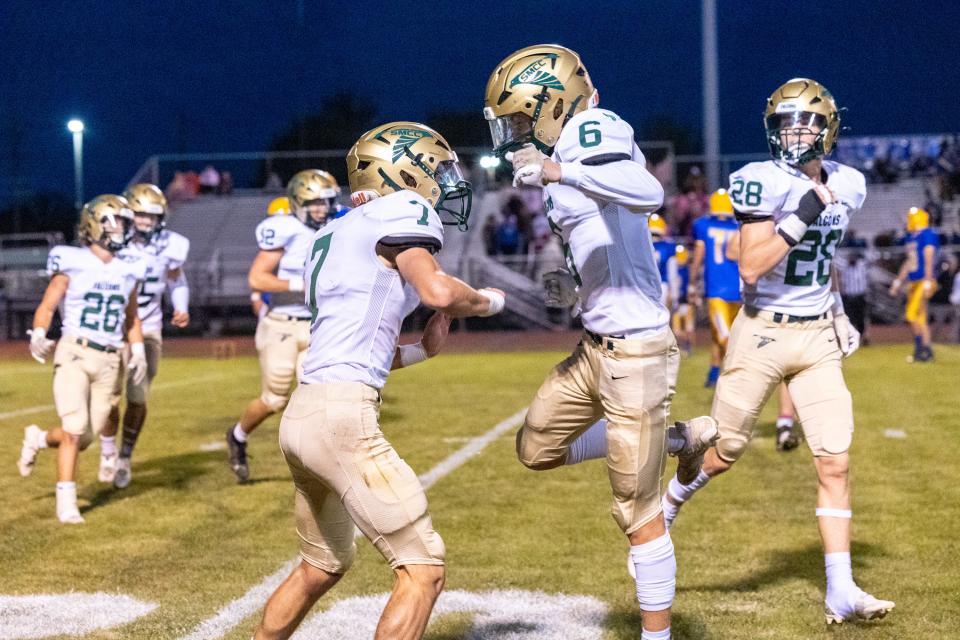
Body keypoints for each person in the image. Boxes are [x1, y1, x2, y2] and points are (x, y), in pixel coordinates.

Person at [484, 44, 716, 640]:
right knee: (535, 448)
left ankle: (657, 635)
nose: (512, 134)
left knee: (637, 515)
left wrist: (562, 170)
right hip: (594, 346)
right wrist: (574, 285)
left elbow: (646, 192)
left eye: (516, 119)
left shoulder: (591, 128)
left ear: (549, 106)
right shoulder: (569, 146)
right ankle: (675, 437)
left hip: (636, 350)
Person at [253, 122, 504, 640]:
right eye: (434, 167)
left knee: (319, 566)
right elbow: (436, 291)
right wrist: (487, 301)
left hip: (304, 413)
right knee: (423, 567)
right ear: (402, 169)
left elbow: (355, 344)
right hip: (342, 418)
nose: (443, 180)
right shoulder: (403, 211)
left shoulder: (333, 232)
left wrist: (418, 353)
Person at [660, 78, 894, 624]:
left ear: (828, 129)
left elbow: (825, 256)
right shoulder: (758, 181)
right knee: (724, 451)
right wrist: (806, 208)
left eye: (807, 122)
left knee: (835, 460)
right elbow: (750, 263)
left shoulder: (851, 184)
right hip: (762, 330)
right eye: (785, 122)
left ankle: (841, 588)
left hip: (816, 337)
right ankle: (669, 501)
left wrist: (836, 308)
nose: (795, 132)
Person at [18, 195, 147, 523]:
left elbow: (131, 317)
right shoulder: (71, 260)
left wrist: (139, 349)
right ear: (96, 225)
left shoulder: (128, 268)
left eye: (124, 223)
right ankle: (67, 502)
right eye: (116, 222)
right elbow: (48, 305)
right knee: (75, 429)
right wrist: (38, 333)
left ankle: (38, 437)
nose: (123, 229)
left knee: (85, 438)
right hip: (75, 350)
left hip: (109, 360)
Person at [225, 170, 340, 483]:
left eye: (327, 202)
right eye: (315, 203)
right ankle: (237, 435)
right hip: (281, 325)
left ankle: (315, 462)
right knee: (274, 399)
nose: (322, 209)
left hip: (317, 324)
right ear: (298, 203)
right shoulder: (284, 229)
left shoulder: (337, 224)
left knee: (315, 393)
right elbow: (257, 278)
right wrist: (299, 283)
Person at [99, 184, 190, 488]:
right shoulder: (113, 242)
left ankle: (125, 456)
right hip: (113, 329)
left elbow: (177, 280)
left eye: (152, 216)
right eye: (139, 215)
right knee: (108, 399)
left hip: (148, 327)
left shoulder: (172, 245)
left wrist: (180, 306)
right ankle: (108, 451)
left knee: (137, 399)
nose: (145, 222)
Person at [690, 189, 741, 387]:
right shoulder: (739, 226)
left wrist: (692, 281)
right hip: (737, 287)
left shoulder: (703, 225)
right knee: (723, 335)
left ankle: (737, 376)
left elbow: (700, 254)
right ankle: (713, 376)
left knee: (723, 336)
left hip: (717, 289)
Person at [889, 206, 940, 362]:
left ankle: (922, 350)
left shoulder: (928, 234)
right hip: (914, 281)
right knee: (920, 318)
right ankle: (925, 351)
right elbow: (910, 261)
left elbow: (929, 257)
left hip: (924, 280)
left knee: (911, 315)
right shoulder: (911, 237)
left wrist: (927, 280)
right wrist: (898, 281)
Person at [671, 244, 694, 356]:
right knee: (678, 328)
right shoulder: (675, 268)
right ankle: (681, 347)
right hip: (679, 301)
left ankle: (687, 347)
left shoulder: (688, 270)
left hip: (686, 302)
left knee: (687, 327)